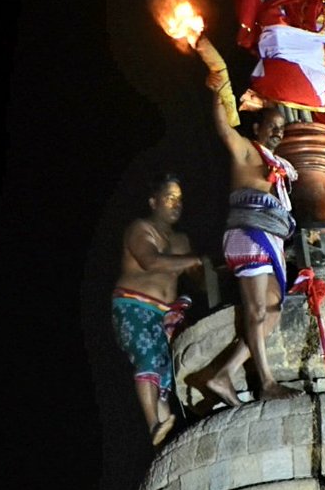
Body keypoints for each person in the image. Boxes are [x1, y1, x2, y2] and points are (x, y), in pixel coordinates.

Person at [193, 35, 301, 401]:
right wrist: (216, 92)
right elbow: (224, 127)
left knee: (271, 311)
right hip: (249, 233)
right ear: (256, 129)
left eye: (281, 129)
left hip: (270, 238)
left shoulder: (278, 166)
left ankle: (223, 374)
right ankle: (266, 383)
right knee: (256, 309)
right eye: (271, 125)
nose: (277, 132)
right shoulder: (246, 152)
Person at [111, 174, 238, 447]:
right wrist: (196, 260)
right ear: (153, 201)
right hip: (135, 304)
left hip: (166, 311)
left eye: (179, 199)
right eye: (169, 198)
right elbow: (150, 261)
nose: (176, 204)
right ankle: (153, 423)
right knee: (147, 357)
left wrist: (218, 267)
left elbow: (197, 276)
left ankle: (164, 436)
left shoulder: (181, 240)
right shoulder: (140, 228)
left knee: (166, 372)